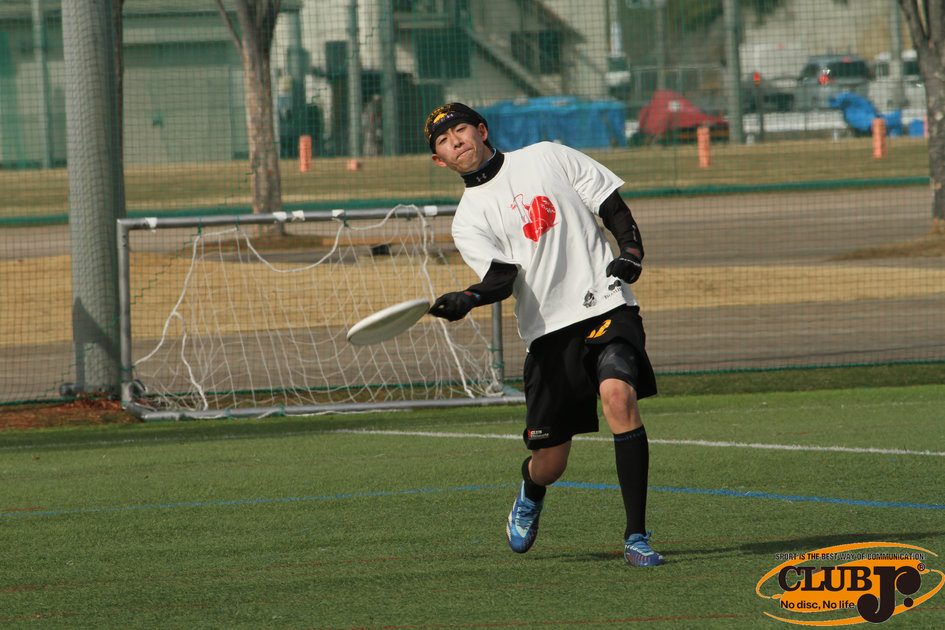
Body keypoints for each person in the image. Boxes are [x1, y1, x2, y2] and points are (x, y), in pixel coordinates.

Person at [423, 103, 663, 566]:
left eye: (461, 130)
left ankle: (636, 536)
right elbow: (502, 278)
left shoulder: (548, 156)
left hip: (606, 305)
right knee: (551, 464)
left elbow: (610, 205)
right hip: (547, 334)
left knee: (618, 396)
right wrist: (469, 297)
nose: (456, 141)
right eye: (444, 141)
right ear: (440, 160)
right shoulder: (468, 219)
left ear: (481, 130)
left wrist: (631, 250)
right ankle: (532, 489)